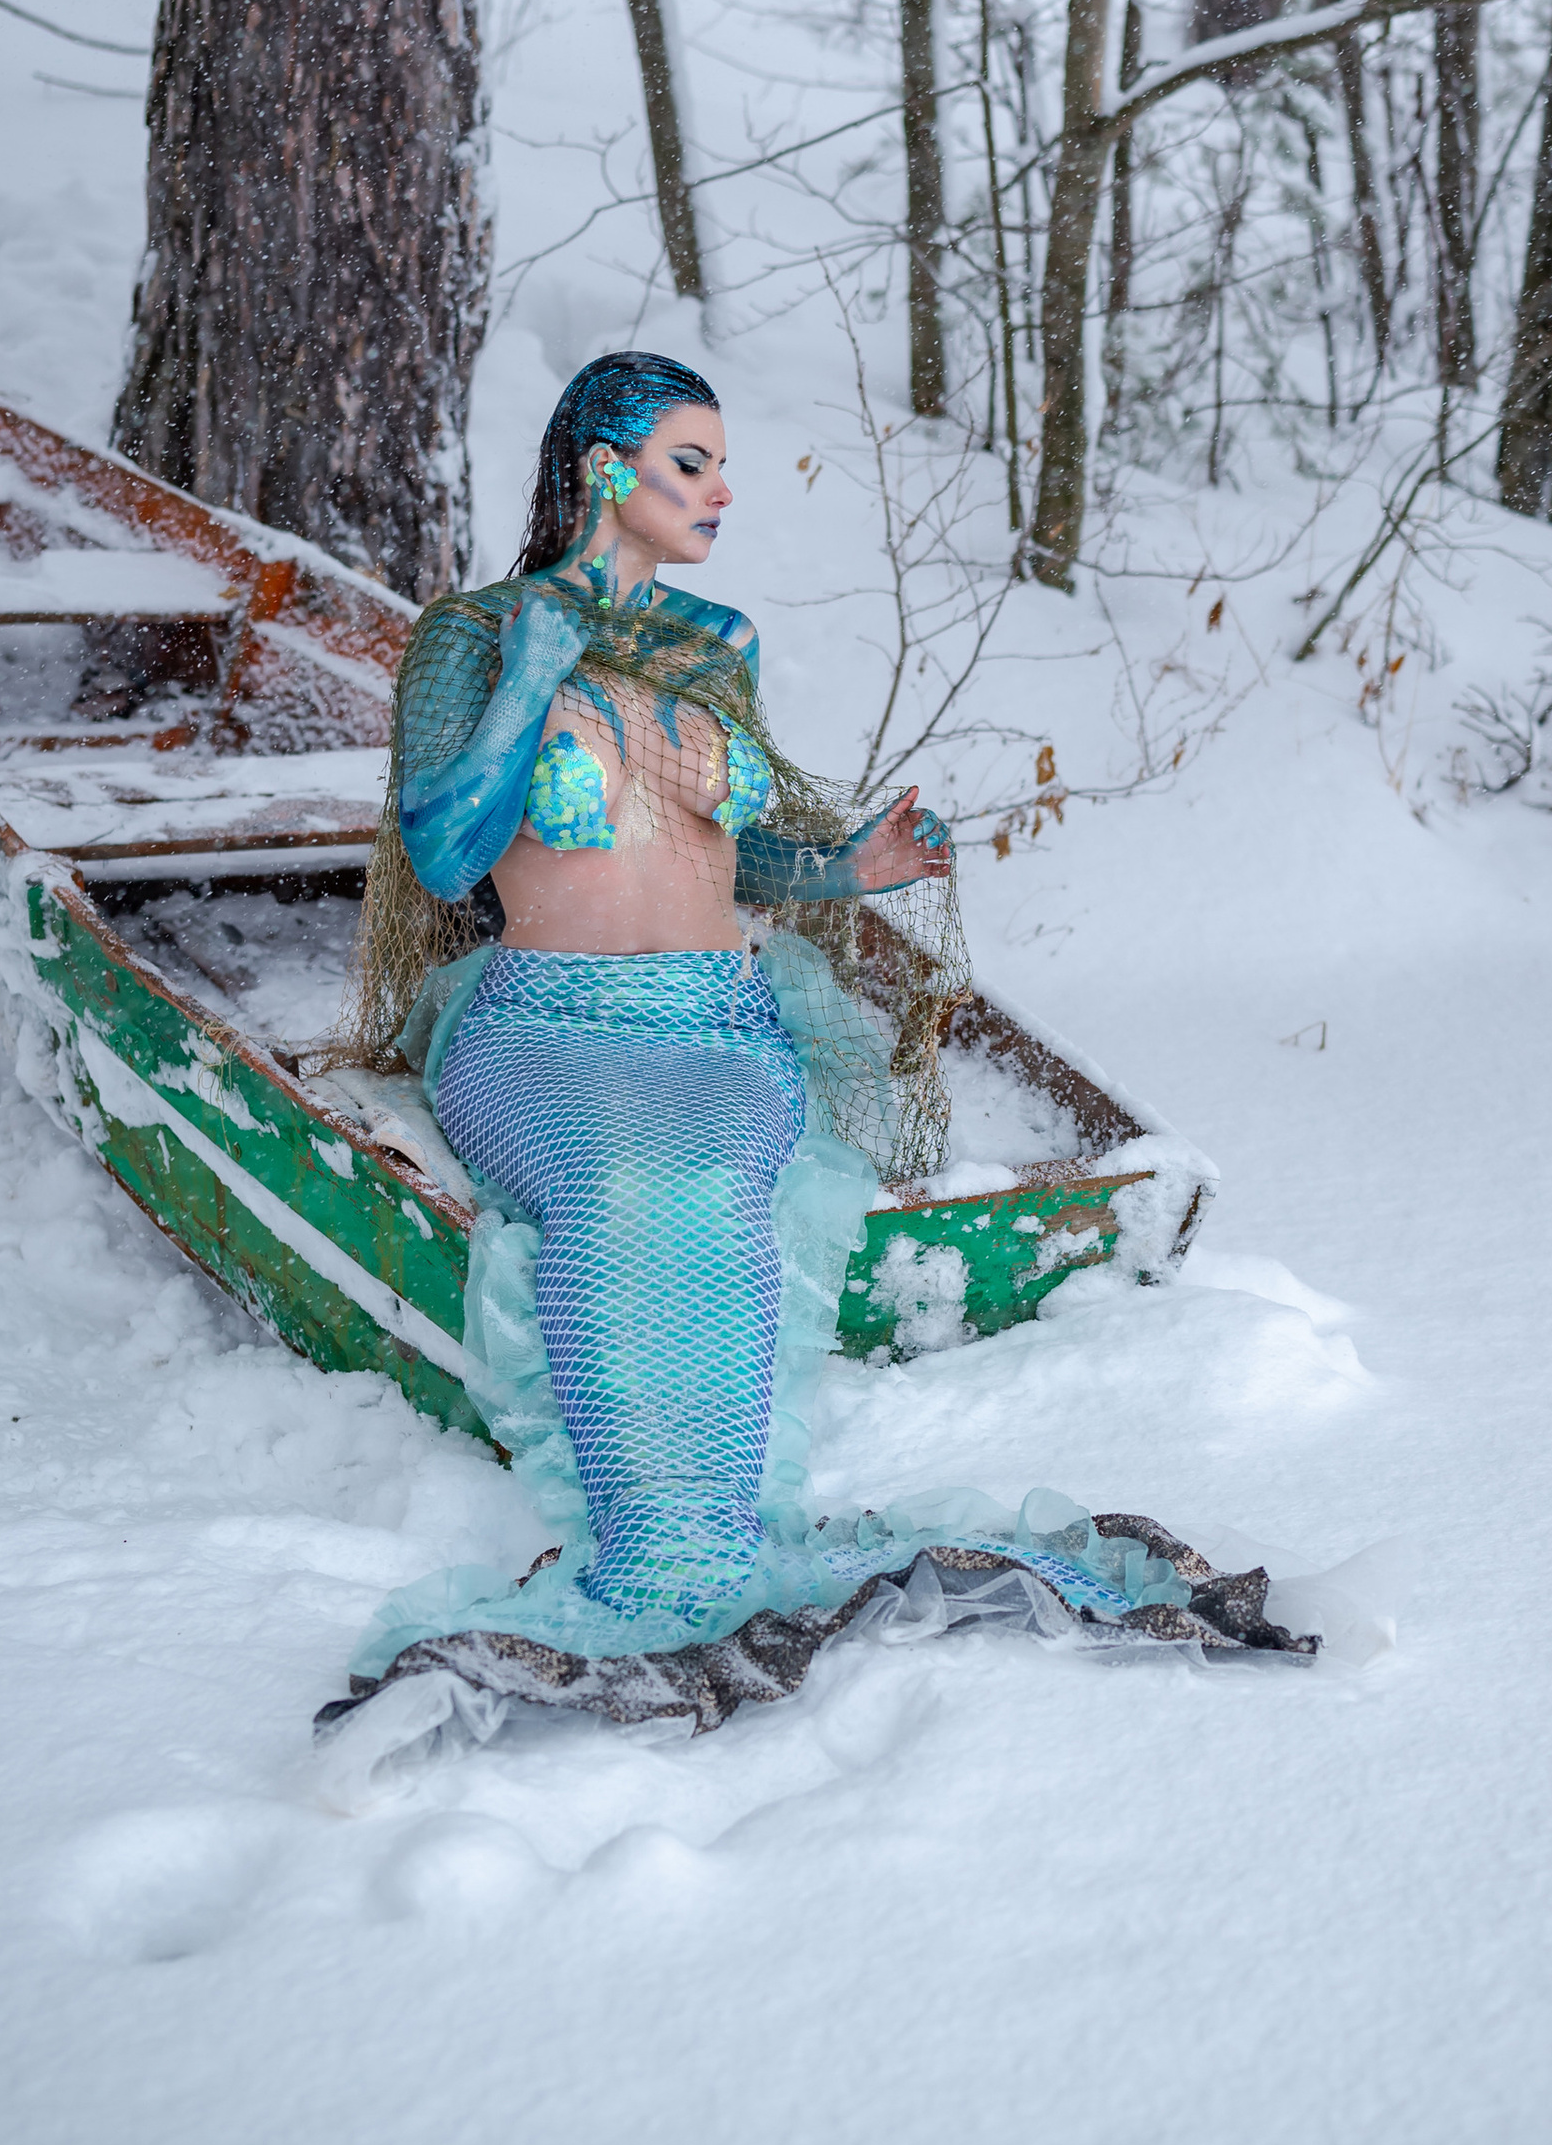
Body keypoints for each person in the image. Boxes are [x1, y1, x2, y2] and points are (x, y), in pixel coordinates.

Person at [319, 351, 1308, 1741]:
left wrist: (852, 868)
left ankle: (710, 1542)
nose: (722, 491)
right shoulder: (477, 635)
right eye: (692, 463)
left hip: (721, 1022)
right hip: (548, 1024)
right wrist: (531, 674)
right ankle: (660, 1556)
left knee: (712, 1181)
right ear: (603, 467)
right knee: (619, 1181)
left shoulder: (712, 645)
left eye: (723, 465)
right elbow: (443, 848)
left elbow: (735, 847)